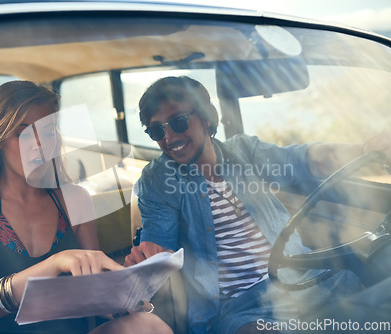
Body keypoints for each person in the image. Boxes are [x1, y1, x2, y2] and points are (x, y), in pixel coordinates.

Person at [124, 76, 391, 334]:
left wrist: (366, 149)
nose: (169, 137)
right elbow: (159, 250)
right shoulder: (157, 180)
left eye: (178, 122)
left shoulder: (245, 151)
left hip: (303, 280)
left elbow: (306, 160)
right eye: (157, 130)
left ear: (206, 117)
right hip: (240, 308)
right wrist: (145, 267)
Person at [0, 80, 173, 334]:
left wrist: (126, 287)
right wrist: (56, 263)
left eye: (48, 132)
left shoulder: (75, 199)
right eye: (23, 133)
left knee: (149, 325)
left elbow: (93, 293)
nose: (39, 145)